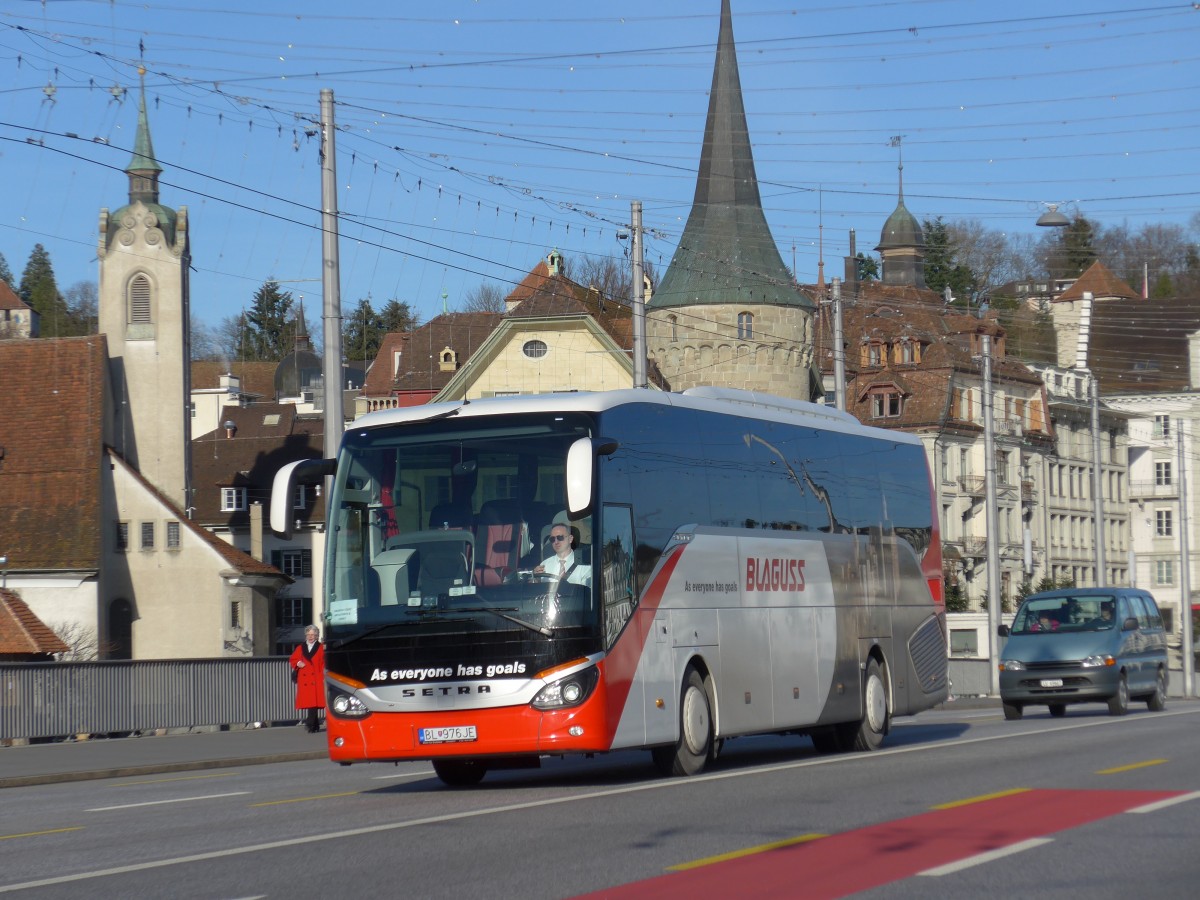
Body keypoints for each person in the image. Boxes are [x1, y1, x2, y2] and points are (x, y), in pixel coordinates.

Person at [289, 625, 325, 733]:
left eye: (313, 635)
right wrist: (298, 663)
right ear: (306, 635)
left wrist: (323, 676)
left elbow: (324, 663)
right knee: (311, 703)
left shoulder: (321, 648)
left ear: (317, 636)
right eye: (309, 634)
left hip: (316, 678)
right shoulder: (300, 647)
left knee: (313, 703)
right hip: (304, 679)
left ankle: (310, 724)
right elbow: (293, 659)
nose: (311, 637)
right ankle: (315, 725)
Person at [533, 523, 592, 589]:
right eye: (552, 539)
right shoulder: (544, 565)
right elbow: (539, 592)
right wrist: (536, 580)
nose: (556, 542)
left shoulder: (584, 565)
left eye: (560, 537)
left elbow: (587, 593)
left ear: (570, 539)